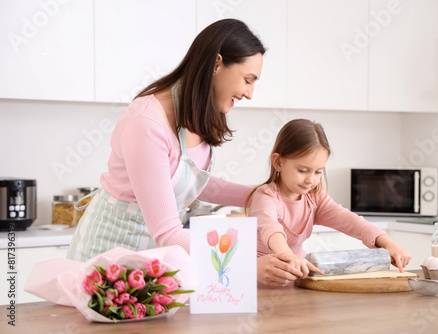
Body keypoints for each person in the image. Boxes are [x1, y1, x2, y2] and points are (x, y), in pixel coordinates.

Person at [67, 19, 302, 284]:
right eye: (248, 80)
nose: (250, 93)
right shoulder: (147, 123)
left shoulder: (196, 115)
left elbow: (193, 183)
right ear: (216, 63)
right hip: (106, 262)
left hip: (151, 264)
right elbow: (168, 231)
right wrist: (248, 265)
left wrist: (263, 194)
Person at [246, 119, 412, 283]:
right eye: (303, 170)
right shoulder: (265, 197)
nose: (310, 180)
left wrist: (388, 243)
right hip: (260, 282)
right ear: (278, 162)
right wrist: (288, 256)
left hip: (297, 278)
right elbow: (270, 228)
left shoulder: (314, 199)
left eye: (318, 172)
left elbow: (350, 221)